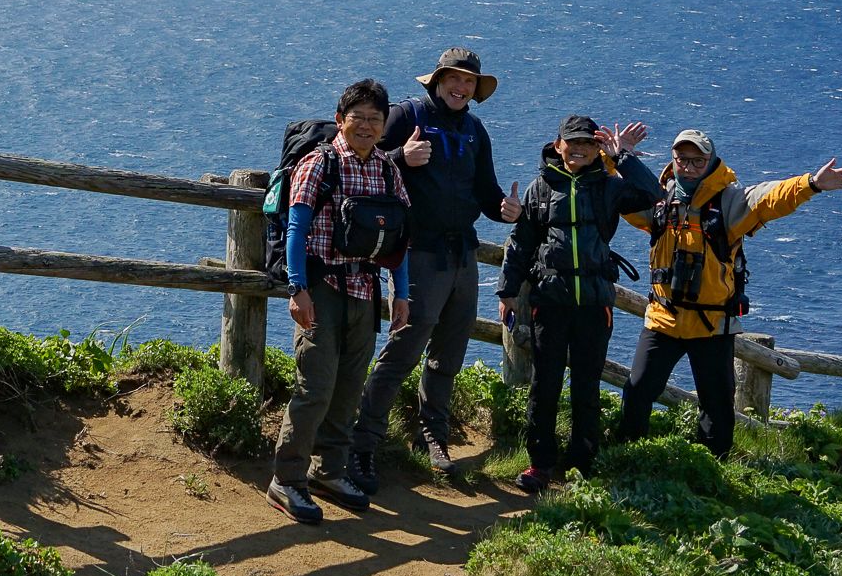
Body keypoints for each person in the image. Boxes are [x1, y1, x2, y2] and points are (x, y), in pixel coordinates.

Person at [614, 129, 842, 458]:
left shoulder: (729, 202)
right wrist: (614, 156)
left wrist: (811, 184)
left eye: (698, 160)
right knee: (638, 391)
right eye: (682, 159)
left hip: (712, 324)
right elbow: (614, 194)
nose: (689, 167)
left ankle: (712, 468)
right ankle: (629, 458)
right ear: (673, 160)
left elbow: (769, 198)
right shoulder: (658, 198)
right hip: (664, 319)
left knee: (716, 405)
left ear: (711, 161)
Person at [349, 48, 521, 487]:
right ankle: (362, 445)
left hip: (462, 255)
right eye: (454, 79)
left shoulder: (475, 130)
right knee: (402, 353)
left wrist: (506, 210)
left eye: (469, 82)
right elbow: (360, 162)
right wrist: (400, 158)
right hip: (418, 255)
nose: (461, 87)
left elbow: (486, 192)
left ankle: (433, 439)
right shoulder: (407, 115)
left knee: (449, 354)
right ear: (438, 80)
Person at [266, 78, 412, 524]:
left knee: (349, 387)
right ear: (339, 120)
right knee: (315, 386)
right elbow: (296, 229)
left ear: (384, 124)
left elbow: (399, 237)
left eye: (375, 119)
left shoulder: (387, 169)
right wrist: (297, 288)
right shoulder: (320, 162)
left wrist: (401, 293)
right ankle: (287, 479)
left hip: (364, 290)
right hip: (322, 288)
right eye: (358, 118)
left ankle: (329, 470)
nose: (366, 126)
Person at [497, 115, 659, 492]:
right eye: (573, 142)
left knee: (586, 387)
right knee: (545, 385)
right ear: (558, 145)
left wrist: (622, 157)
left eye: (589, 143)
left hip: (594, 303)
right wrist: (507, 292)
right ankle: (540, 464)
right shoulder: (540, 188)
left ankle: (582, 465)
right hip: (549, 302)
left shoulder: (609, 185)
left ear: (598, 148)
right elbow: (521, 242)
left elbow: (652, 195)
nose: (580, 149)